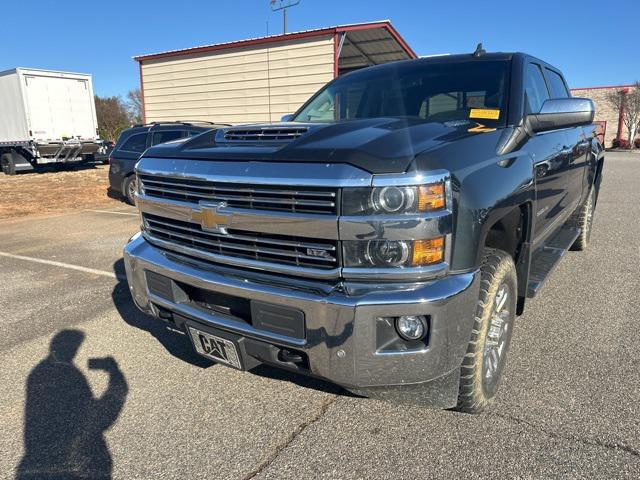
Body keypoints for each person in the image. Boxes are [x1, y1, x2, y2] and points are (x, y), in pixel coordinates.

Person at [16, 329, 128, 480]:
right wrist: (115, 374)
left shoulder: (38, 373)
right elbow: (103, 414)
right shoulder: (72, 378)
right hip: (80, 469)